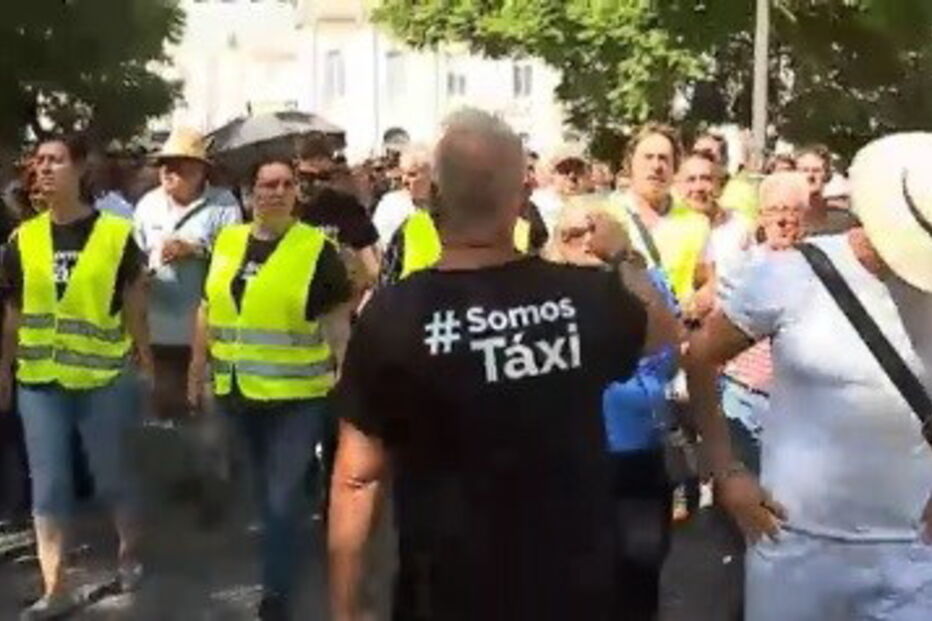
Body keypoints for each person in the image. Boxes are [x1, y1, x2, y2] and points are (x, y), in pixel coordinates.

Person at [328, 108, 678, 621]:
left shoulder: (393, 317)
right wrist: (623, 254)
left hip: (445, 594)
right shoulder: (584, 297)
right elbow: (664, 336)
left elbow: (357, 479)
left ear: (432, 201)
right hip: (574, 590)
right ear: (521, 200)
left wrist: (344, 608)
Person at [686, 133, 932, 621]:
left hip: (912, 553)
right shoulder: (792, 274)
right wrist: (727, 471)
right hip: (795, 547)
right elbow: (699, 358)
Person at [188, 157, 352, 620]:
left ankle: (276, 593)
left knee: (280, 500)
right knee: (264, 494)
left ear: (297, 193)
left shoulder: (315, 249)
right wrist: (196, 370)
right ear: (249, 193)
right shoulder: (228, 241)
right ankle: (301, 518)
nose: (274, 192)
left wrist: (348, 379)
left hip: (296, 398)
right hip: (236, 393)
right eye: (265, 184)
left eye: (284, 184)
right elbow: (207, 308)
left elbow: (337, 326)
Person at [0, 134, 152, 620]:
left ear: (80, 169)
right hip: (40, 380)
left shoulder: (114, 234)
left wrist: (144, 358)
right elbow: (14, 311)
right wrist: (4, 367)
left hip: (102, 377)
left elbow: (133, 303)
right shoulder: (22, 240)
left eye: (55, 161)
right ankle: (56, 587)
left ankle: (130, 552)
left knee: (111, 477)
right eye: (39, 161)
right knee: (49, 486)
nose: (44, 169)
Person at [544, 200, 680, 620]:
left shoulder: (643, 282)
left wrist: (621, 261)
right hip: (563, 464)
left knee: (636, 588)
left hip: (636, 457)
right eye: (573, 234)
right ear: (553, 244)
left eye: (597, 232)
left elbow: (667, 346)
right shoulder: (540, 293)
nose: (587, 243)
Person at [134, 127, 242, 423]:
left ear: (199, 170)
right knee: (161, 414)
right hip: (157, 329)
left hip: (204, 332)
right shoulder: (147, 205)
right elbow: (135, 257)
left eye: (178, 164)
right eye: (164, 164)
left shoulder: (224, 204)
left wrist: (195, 250)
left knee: (203, 416)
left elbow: (236, 259)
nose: (167, 171)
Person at [609, 123, 712, 305]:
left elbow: (708, 282)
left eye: (664, 159)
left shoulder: (696, 224)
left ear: (675, 168)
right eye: (648, 158)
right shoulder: (607, 215)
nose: (656, 166)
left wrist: (696, 307)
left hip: (675, 328)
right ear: (629, 163)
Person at [294, 134, 380, 293]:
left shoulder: (344, 205)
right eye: (306, 177)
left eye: (322, 177)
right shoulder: (285, 206)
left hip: (337, 303)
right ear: (296, 170)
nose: (314, 183)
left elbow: (371, 266)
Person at [678, 151, 752, 324]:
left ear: (719, 184)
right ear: (678, 186)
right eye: (691, 180)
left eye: (706, 179)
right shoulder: (668, 227)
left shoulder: (740, 227)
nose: (698, 187)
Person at [371, 145, 432, 246]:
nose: (404, 180)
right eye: (403, 174)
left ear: (432, 175)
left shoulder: (450, 208)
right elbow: (378, 247)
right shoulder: (390, 205)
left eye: (412, 174)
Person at [795, 145, 858, 235]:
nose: (810, 176)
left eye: (816, 170)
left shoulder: (843, 220)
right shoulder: (780, 219)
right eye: (804, 170)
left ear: (827, 175)